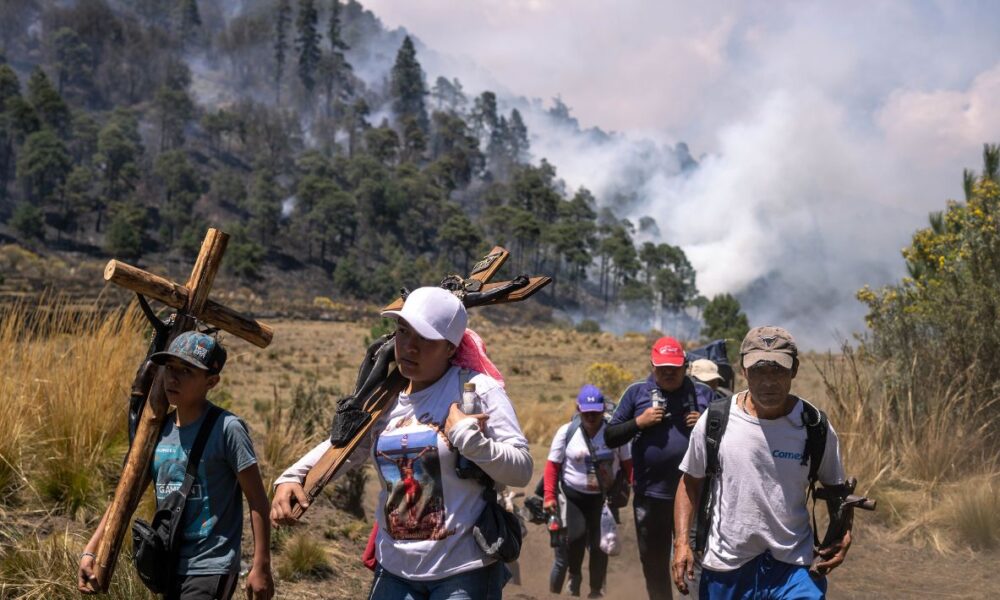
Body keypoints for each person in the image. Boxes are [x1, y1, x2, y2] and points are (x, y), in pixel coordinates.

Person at [271, 286, 532, 600]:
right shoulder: (385, 397)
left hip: (463, 573)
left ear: (450, 348)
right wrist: (292, 476)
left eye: (425, 338)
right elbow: (348, 446)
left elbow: (521, 470)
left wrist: (469, 440)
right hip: (394, 571)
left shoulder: (475, 389)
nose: (410, 347)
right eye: (403, 332)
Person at [78, 332, 274, 600]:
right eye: (170, 368)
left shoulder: (228, 429)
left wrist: (261, 565)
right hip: (167, 564)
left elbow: (258, 501)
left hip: (211, 565)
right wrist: (92, 549)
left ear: (211, 381)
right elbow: (125, 499)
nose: (173, 378)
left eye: (186, 371)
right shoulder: (156, 431)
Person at [672, 326, 850, 599]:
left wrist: (843, 534)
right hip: (727, 566)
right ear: (743, 371)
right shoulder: (716, 421)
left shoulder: (814, 426)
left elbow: (837, 489)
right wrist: (682, 542)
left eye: (778, 370)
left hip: (791, 567)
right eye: (758, 370)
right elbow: (689, 482)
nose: (768, 382)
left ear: (795, 370)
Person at [603, 336, 714, 600]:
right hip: (650, 496)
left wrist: (706, 426)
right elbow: (610, 436)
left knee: (694, 561)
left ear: (685, 365)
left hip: (694, 496)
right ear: (652, 365)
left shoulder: (703, 395)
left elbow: (727, 441)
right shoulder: (636, 392)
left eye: (674, 367)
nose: (668, 372)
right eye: (662, 367)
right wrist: (638, 422)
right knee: (653, 565)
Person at [543, 385, 633, 598]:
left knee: (600, 546)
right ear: (578, 409)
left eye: (596, 412)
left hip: (603, 500)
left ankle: (595, 589)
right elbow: (552, 466)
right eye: (586, 412)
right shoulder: (567, 432)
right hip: (574, 496)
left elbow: (629, 464)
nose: (591, 416)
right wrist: (548, 496)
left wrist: (635, 486)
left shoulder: (614, 433)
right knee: (575, 538)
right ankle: (575, 575)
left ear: (603, 410)